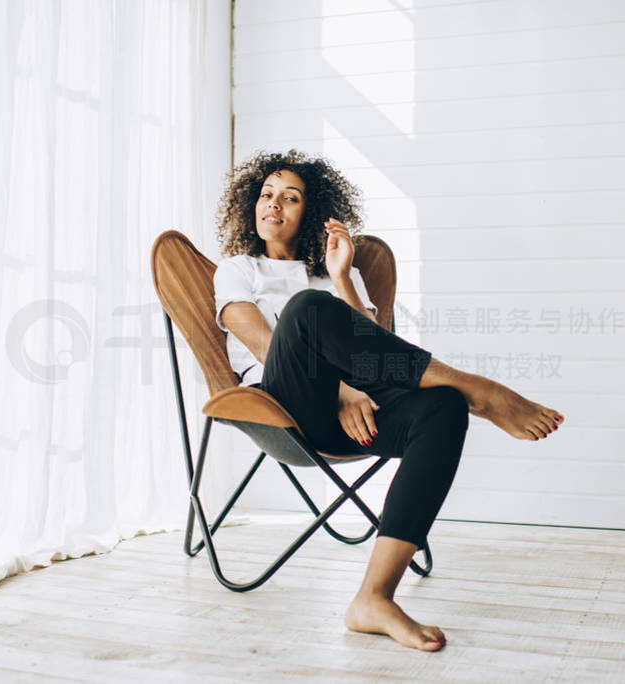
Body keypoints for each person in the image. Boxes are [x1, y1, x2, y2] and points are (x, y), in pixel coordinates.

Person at [213, 149, 565, 652]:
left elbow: (376, 351)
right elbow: (263, 346)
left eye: (290, 198)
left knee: (442, 406)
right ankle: (478, 389)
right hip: (282, 407)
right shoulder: (237, 269)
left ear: (309, 212)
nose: (274, 206)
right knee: (308, 309)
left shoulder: (341, 272)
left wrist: (340, 279)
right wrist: (337, 389)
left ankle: (374, 597)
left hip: (357, 414)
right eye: (266, 195)